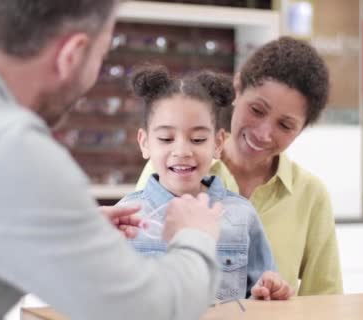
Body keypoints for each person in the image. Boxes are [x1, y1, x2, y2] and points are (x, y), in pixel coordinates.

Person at [0, 1, 225, 319]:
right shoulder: (6, 148)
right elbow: (151, 312)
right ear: (72, 54)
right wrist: (195, 237)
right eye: (100, 56)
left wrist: (71, 231)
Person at [137, 36, 344, 296]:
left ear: (302, 129)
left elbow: (325, 301)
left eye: (285, 125)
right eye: (257, 110)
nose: (264, 133)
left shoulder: (311, 195)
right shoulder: (174, 170)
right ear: (238, 87)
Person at [119, 65, 294, 302]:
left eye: (198, 139)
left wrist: (271, 290)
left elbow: (263, 294)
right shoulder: (125, 218)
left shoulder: (242, 215)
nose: (182, 151)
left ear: (218, 143)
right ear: (145, 142)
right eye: (166, 138)